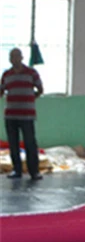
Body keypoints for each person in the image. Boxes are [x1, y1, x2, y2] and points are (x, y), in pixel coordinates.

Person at [1, 48, 44, 181]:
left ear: (22, 57)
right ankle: (16, 170)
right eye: (12, 57)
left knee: (30, 143)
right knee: (13, 144)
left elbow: (40, 89)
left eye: (16, 56)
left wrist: (29, 99)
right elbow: (1, 92)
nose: (14, 59)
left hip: (27, 115)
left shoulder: (31, 73)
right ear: (9, 59)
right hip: (10, 115)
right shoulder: (6, 75)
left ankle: (34, 172)